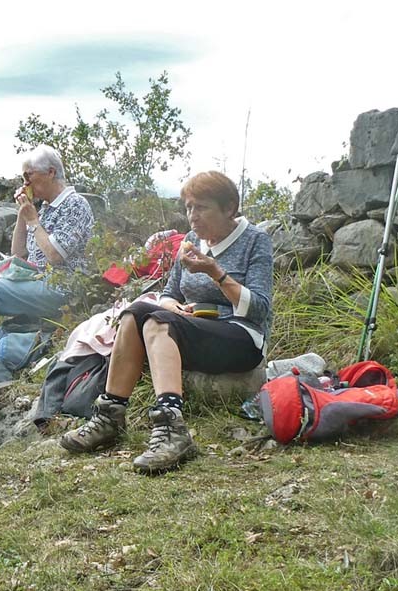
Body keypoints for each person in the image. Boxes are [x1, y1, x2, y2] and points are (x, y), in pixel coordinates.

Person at [60, 171, 274, 473]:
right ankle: (110, 416)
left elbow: (260, 309)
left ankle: (172, 427)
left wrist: (216, 272)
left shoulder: (255, 240)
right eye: (188, 207)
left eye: (201, 207)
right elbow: (169, 293)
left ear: (228, 208)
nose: (192, 216)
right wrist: (174, 306)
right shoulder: (189, 240)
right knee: (134, 314)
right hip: (194, 328)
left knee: (159, 323)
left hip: (241, 336)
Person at [0, 145, 95, 336]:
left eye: (28, 176)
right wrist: (23, 213)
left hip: (62, 287)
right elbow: (18, 253)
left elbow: (55, 255)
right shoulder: (45, 209)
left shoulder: (75, 204)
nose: (25, 184)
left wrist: (33, 220)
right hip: (38, 282)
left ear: (50, 172)